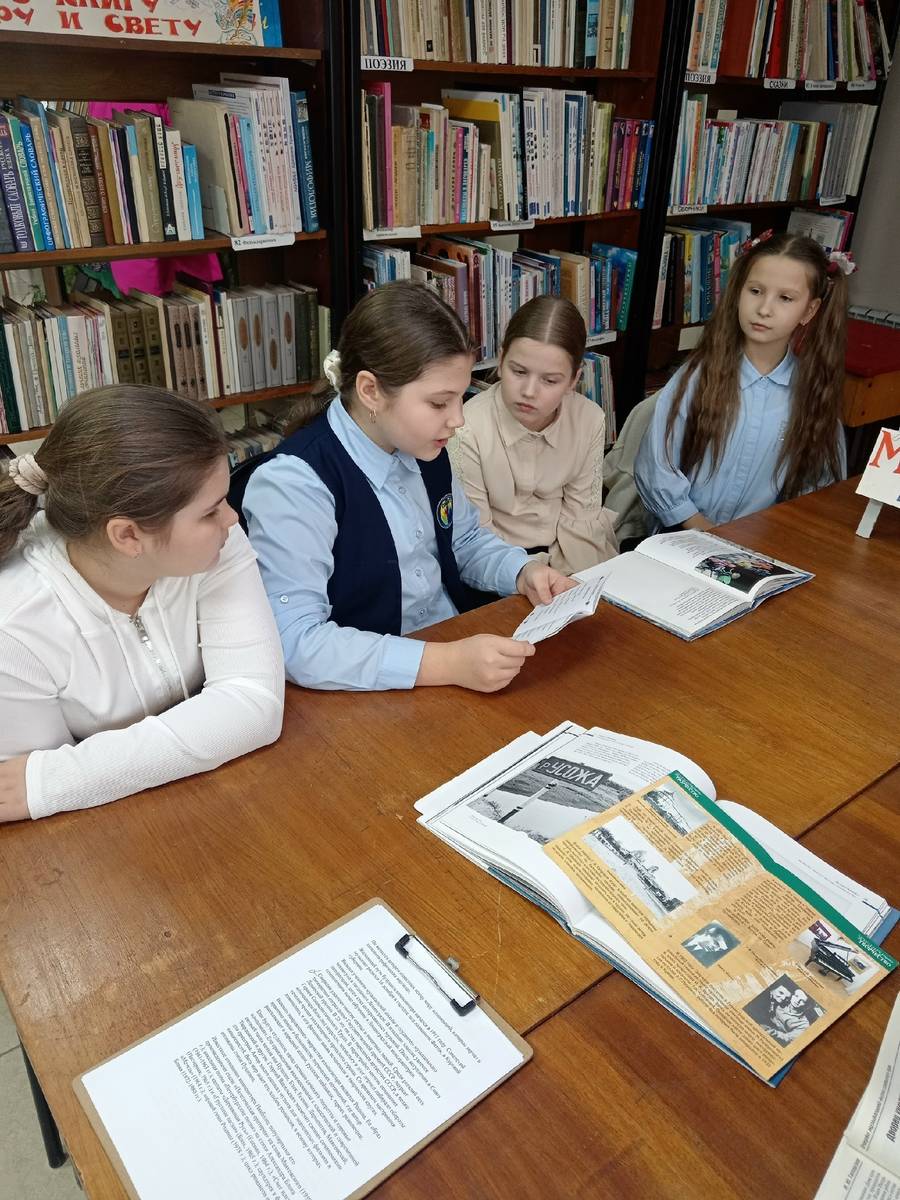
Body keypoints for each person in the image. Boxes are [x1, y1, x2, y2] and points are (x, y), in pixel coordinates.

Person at [243, 282, 576, 693]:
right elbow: (296, 643)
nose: (458, 419)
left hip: (452, 648)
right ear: (370, 391)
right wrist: (446, 663)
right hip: (366, 687)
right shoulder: (295, 484)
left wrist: (522, 571)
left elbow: (462, 539)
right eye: (439, 403)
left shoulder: (421, 443)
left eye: (461, 397)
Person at [0, 386, 284, 823]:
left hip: (216, 802)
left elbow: (254, 704)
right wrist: (214, 725)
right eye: (210, 512)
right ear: (128, 535)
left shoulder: (217, 544)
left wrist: (63, 779)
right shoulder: (14, 626)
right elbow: (21, 791)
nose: (232, 518)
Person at [635, 231, 852, 531]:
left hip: (762, 546)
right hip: (683, 537)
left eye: (785, 298)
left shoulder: (811, 395)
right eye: (756, 291)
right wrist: (704, 531)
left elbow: (817, 491)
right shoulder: (698, 376)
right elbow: (657, 466)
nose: (764, 309)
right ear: (739, 291)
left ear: (810, 310)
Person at [453, 295, 618, 574]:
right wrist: (528, 574)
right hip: (500, 562)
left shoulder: (589, 420)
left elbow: (581, 521)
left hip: (568, 554)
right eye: (518, 371)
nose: (529, 392)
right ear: (501, 359)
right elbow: (476, 537)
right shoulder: (466, 427)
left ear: (574, 380)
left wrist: (573, 584)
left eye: (549, 380)